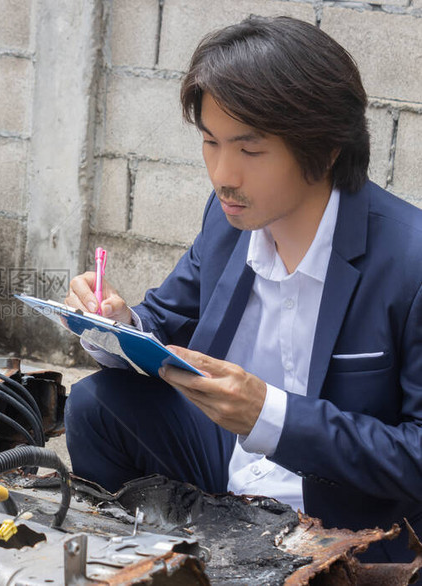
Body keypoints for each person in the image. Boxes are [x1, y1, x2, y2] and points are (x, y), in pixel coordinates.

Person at [64, 15, 422, 563]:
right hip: (231, 467)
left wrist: (269, 417)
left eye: (249, 151)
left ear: (325, 149)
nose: (223, 174)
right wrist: (110, 323)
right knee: (96, 405)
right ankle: (160, 565)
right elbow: (161, 321)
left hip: (342, 512)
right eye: (210, 143)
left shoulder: (409, 260)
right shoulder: (227, 221)